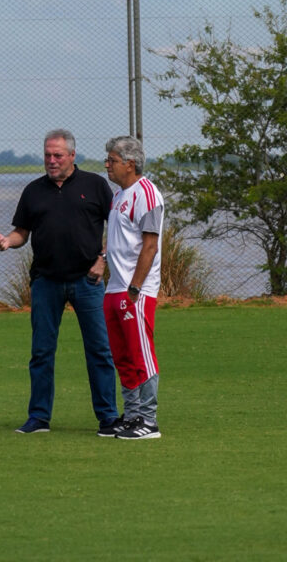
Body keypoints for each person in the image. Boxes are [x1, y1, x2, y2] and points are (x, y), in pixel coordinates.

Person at [0, 129, 122, 436]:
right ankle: (38, 418)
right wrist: (8, 242)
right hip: (45, 282)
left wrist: (102, 261)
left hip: (87, 282)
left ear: (72, 156)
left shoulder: (95, 185)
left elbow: (116, 228)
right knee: (41, 352)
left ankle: (108, 417)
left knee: (100, 351)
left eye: (57, 155)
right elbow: (22, 232)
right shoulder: (33, 191)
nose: (51, 161)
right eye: (47, 155)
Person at [101, 136, 164, 440]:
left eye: (112, 160)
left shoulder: (147, 194)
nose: (107, 165)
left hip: (134, 291)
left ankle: (149, 421)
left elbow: (150, 246)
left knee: (141, 355)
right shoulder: (118, 196)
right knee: (122, 356)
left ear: (130, 163)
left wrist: (135, 288)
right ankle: (132, 415)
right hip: (114, 289)